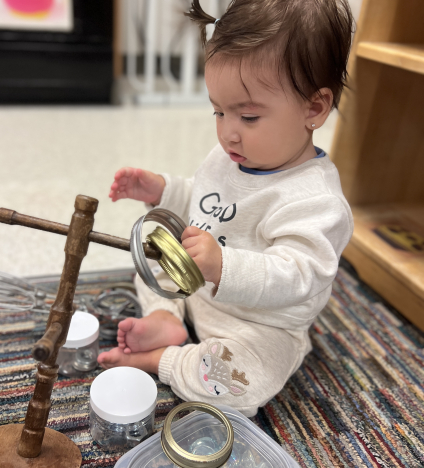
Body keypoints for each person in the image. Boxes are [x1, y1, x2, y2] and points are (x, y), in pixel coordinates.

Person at [97, 0, 354, 417]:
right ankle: (167, 318)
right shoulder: (232, 155)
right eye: (218, 111)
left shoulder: (317, 201)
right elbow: (205, 200)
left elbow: (300, 275)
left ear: (314, 108)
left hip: (258, 325)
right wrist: (163, 190)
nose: (227, 133)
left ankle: (161, 360)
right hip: (197, 285)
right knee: (152, 249)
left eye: (248, 116)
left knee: (238, 384)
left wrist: (223, 265)